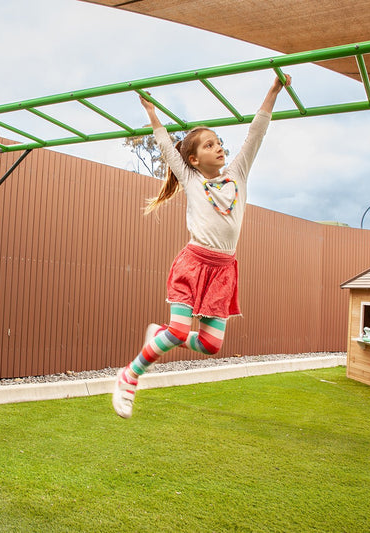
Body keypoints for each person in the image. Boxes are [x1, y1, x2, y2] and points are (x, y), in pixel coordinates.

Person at [113, 73, 291, 418]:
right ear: (194, 160)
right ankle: (130, 375)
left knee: (211, 345)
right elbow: (166, 147)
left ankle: (161, 335)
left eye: (218, 141)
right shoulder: (192, 180)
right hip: (194, 264)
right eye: (208, 145)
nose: (218, 146)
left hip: (224, 270)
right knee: (179, 330)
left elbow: (256, 132)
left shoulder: (238, 173)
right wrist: (152, 113)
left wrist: (273, 90)